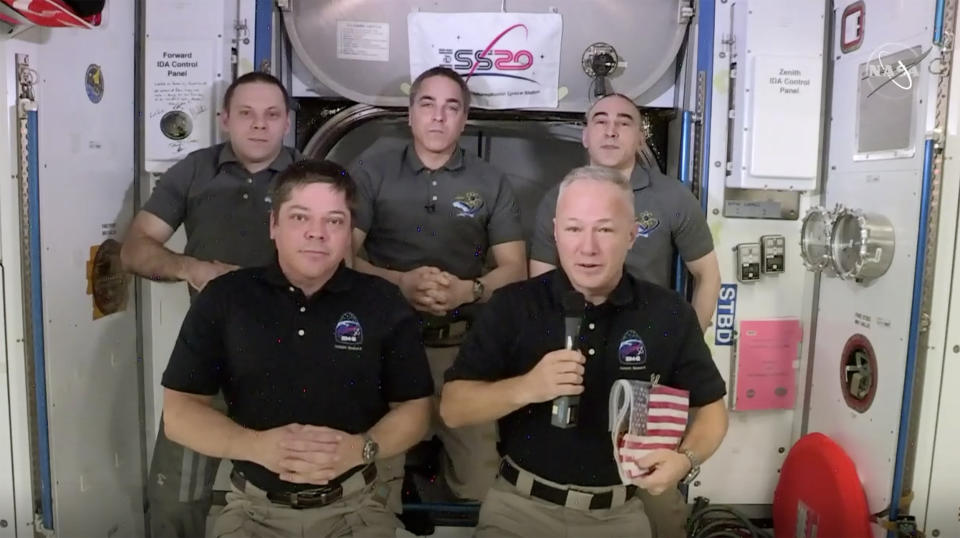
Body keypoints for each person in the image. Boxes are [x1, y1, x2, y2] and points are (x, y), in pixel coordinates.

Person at [440, 166, 729, 537]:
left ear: (631, 234)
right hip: (517, 509)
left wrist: (685, 461)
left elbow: (712, 412)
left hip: (619, 515)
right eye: (574, 228)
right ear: (556, 232)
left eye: (605, 229)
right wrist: (528, 386)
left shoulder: (668, 313)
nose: (587, 247)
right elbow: (453, 408)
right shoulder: (514, 306)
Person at [160, 159, 434, 537]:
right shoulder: (226, 298)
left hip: (357, 511)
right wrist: (256, 447)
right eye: (301, 217)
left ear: (348, 231)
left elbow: (416, 410)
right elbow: (179, 414)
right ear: (274, 225)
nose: (317, 233)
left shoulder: (383, 302)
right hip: (252, 512)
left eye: (334, 221)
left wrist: (361, 449)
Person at [120, 71, 302, 537]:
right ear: (224, 120)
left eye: (272, 115)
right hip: (210, 363)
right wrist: (191, 268)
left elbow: (346, 263)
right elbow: (136, 248)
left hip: (296, 359)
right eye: (246, 113)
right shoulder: (194, 170)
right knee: (173, 503)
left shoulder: (314, 176)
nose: (259, 125)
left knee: (298, 497)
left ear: (287, 123)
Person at [348, 66, 527, 507]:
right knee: (372, 485)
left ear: (464, 120)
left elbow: (515, 268)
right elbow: (342, 257)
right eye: (427, 104)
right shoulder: (373, 169)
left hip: (461, 354)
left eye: (452, 108)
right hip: (383, 350)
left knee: (483, 490)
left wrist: (470, 291)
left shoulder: (490, 181)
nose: (438, 117)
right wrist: (400, 285)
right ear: (410, 114)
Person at [529, 93, 721, 332]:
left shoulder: (672, 197)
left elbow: (708, 275)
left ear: (640, 139)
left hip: (647, 337)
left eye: (624, 122)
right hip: (575, 337)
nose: (611, 131)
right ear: (585, 136)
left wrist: (688, 344)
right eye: (600, 121)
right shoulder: (557, 199)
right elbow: (540, 283)